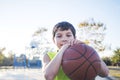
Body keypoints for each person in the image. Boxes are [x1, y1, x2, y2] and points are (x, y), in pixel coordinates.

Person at [42, 21, 109, 80]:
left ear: (75, 38)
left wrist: (89, 50)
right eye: (59, 36)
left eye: (68, 35)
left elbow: (105, 73)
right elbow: (48, 77)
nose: (64, 39)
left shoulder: (85, 52)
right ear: (53, 40)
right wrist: (62, 50)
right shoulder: (48, 56)